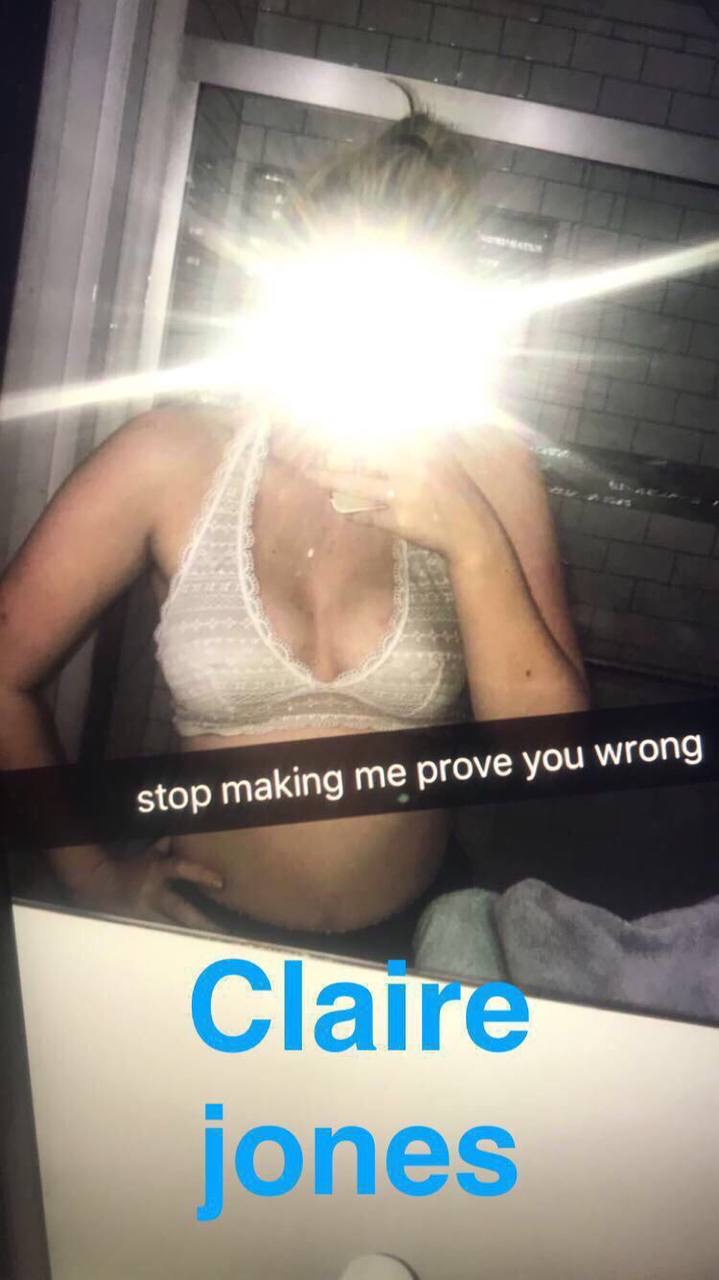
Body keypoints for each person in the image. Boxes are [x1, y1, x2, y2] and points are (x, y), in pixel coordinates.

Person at [0, 106, 588, 954]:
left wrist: (472, 540)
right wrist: (90, 875)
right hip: (196, 945)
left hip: (415, 948)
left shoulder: (487, 467)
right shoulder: (170, 454)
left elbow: (551, 761)